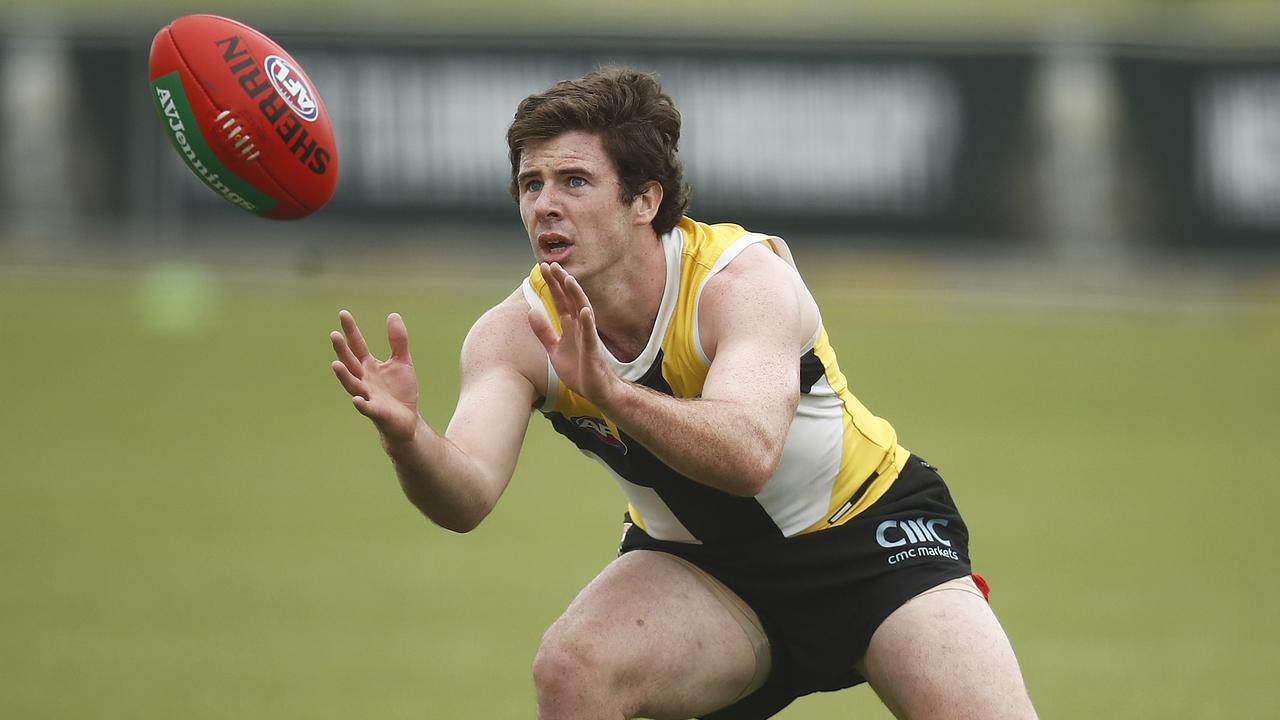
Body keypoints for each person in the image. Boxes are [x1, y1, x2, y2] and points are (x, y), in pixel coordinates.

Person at [330, 66, 1037, 720]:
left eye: (575, 181)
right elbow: (466, 497)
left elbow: (748, 454)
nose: (546, 204)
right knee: (571, 670)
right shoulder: (513, 334)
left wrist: (610, 392)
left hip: (874, 544)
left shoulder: (742, 283)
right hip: (702, 570)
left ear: (645, 199)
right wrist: (408, 438)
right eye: (531, 183)